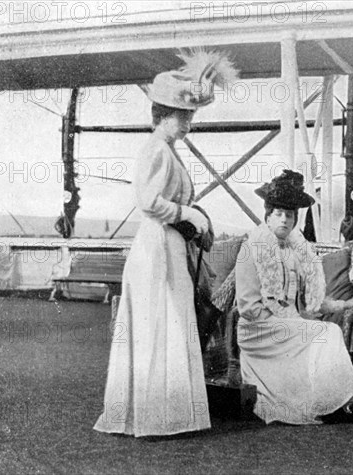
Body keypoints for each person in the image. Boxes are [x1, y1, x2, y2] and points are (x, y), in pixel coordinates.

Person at [94, 51, 237, 437]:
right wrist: (187, 214)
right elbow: (147, 201)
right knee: (162, 319)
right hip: (157, 246)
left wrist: (192, 217)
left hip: (170, 246)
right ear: (162, 114)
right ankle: (155, 414)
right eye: (182, 116)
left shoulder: (168, 150)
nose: (188, 124)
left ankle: (168, 412)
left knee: (172, 320)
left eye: (189, 116)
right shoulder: (156, 149)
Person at [235, 170, 353, 425]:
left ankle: (345, 399)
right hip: (258, 331)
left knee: (327, 331)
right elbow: (248, 306)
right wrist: (285, 322)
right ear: (268, 217)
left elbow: (309, 302)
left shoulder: (297, 252)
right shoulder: (252, 249)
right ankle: (352, 398)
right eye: (278, 214)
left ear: (295, 220)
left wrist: (342, 304)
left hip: (288, 326)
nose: (284, 220)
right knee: (323, 332)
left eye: (289, 215)